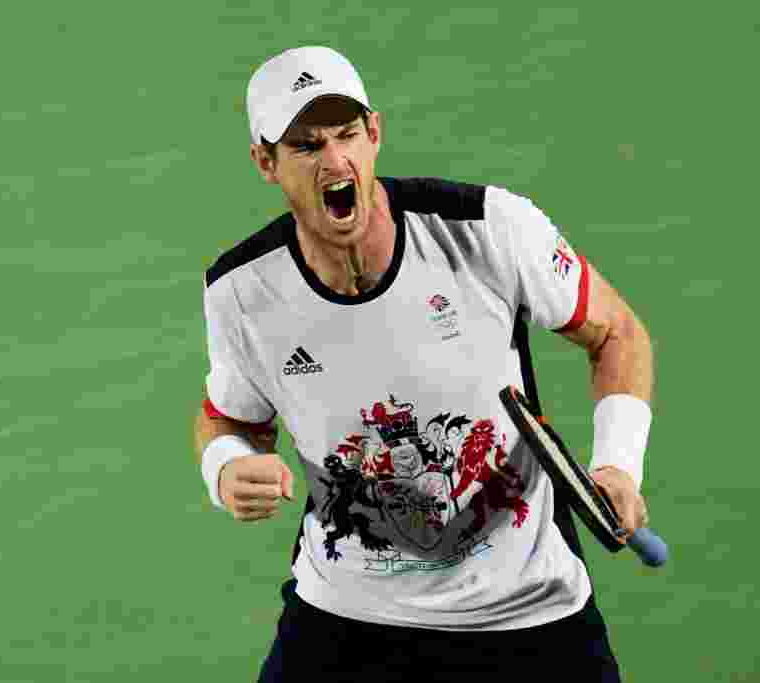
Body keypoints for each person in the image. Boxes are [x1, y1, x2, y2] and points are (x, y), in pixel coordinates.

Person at [194, 45, 656, 682]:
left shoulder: (488, 229)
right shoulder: (240, 293)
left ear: (374, 134)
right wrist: (226, 468)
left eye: (347, 135)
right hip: (348, 614)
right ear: (265, 162)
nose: (336, 160)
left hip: (526, 608)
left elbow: (617, 333)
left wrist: (618, 466)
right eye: (305, 146)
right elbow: (227, 420)